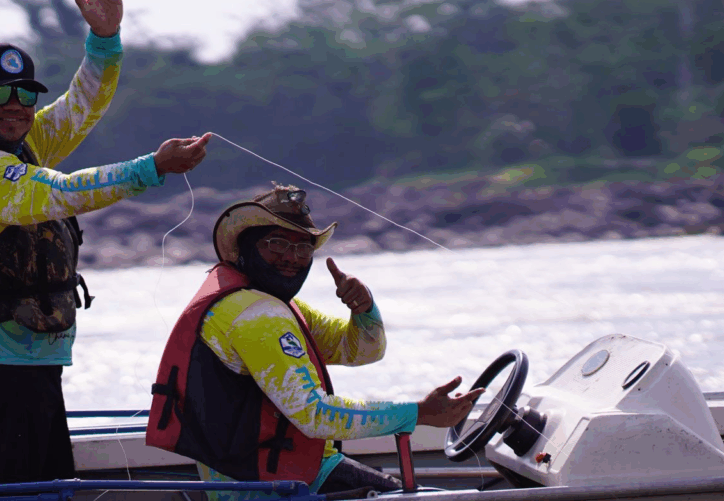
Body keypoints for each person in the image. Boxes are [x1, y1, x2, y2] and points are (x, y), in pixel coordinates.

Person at [0, 0, 211, 485]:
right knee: (19, 496)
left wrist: (104, 39)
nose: (16, 107)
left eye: (25, 95)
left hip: (36, 359)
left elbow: (82, 105)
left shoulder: (23, 142)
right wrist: (152, 167)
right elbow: (65, 191)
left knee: (53, 488)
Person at [146, 183, 484, 498]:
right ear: (247, 247)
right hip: (268, 483)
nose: (291, 257)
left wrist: (364, 309)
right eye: (277, 244)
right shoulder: (258, 314)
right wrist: (419, 413)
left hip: (274, 470)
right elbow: (315, 414)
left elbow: (362, 351)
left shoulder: (274, 305)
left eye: (303, 247)